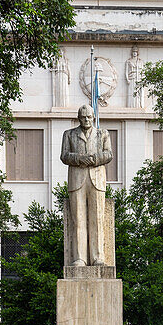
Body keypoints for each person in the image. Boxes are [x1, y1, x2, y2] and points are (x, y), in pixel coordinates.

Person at [60, 105, 113, 266]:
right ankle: (79, 258)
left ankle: (98, 257)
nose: (86, 120)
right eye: (83, 117)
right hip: (77, 180)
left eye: (89, 117)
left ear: (93, 117)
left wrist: (95, 159)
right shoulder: (69, 134)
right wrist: (78, 159)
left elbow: (109, 154)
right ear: (79, 118)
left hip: (97, 179)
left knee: (97, 219)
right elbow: (64, 155)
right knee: (79, 220)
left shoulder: (102, 133)